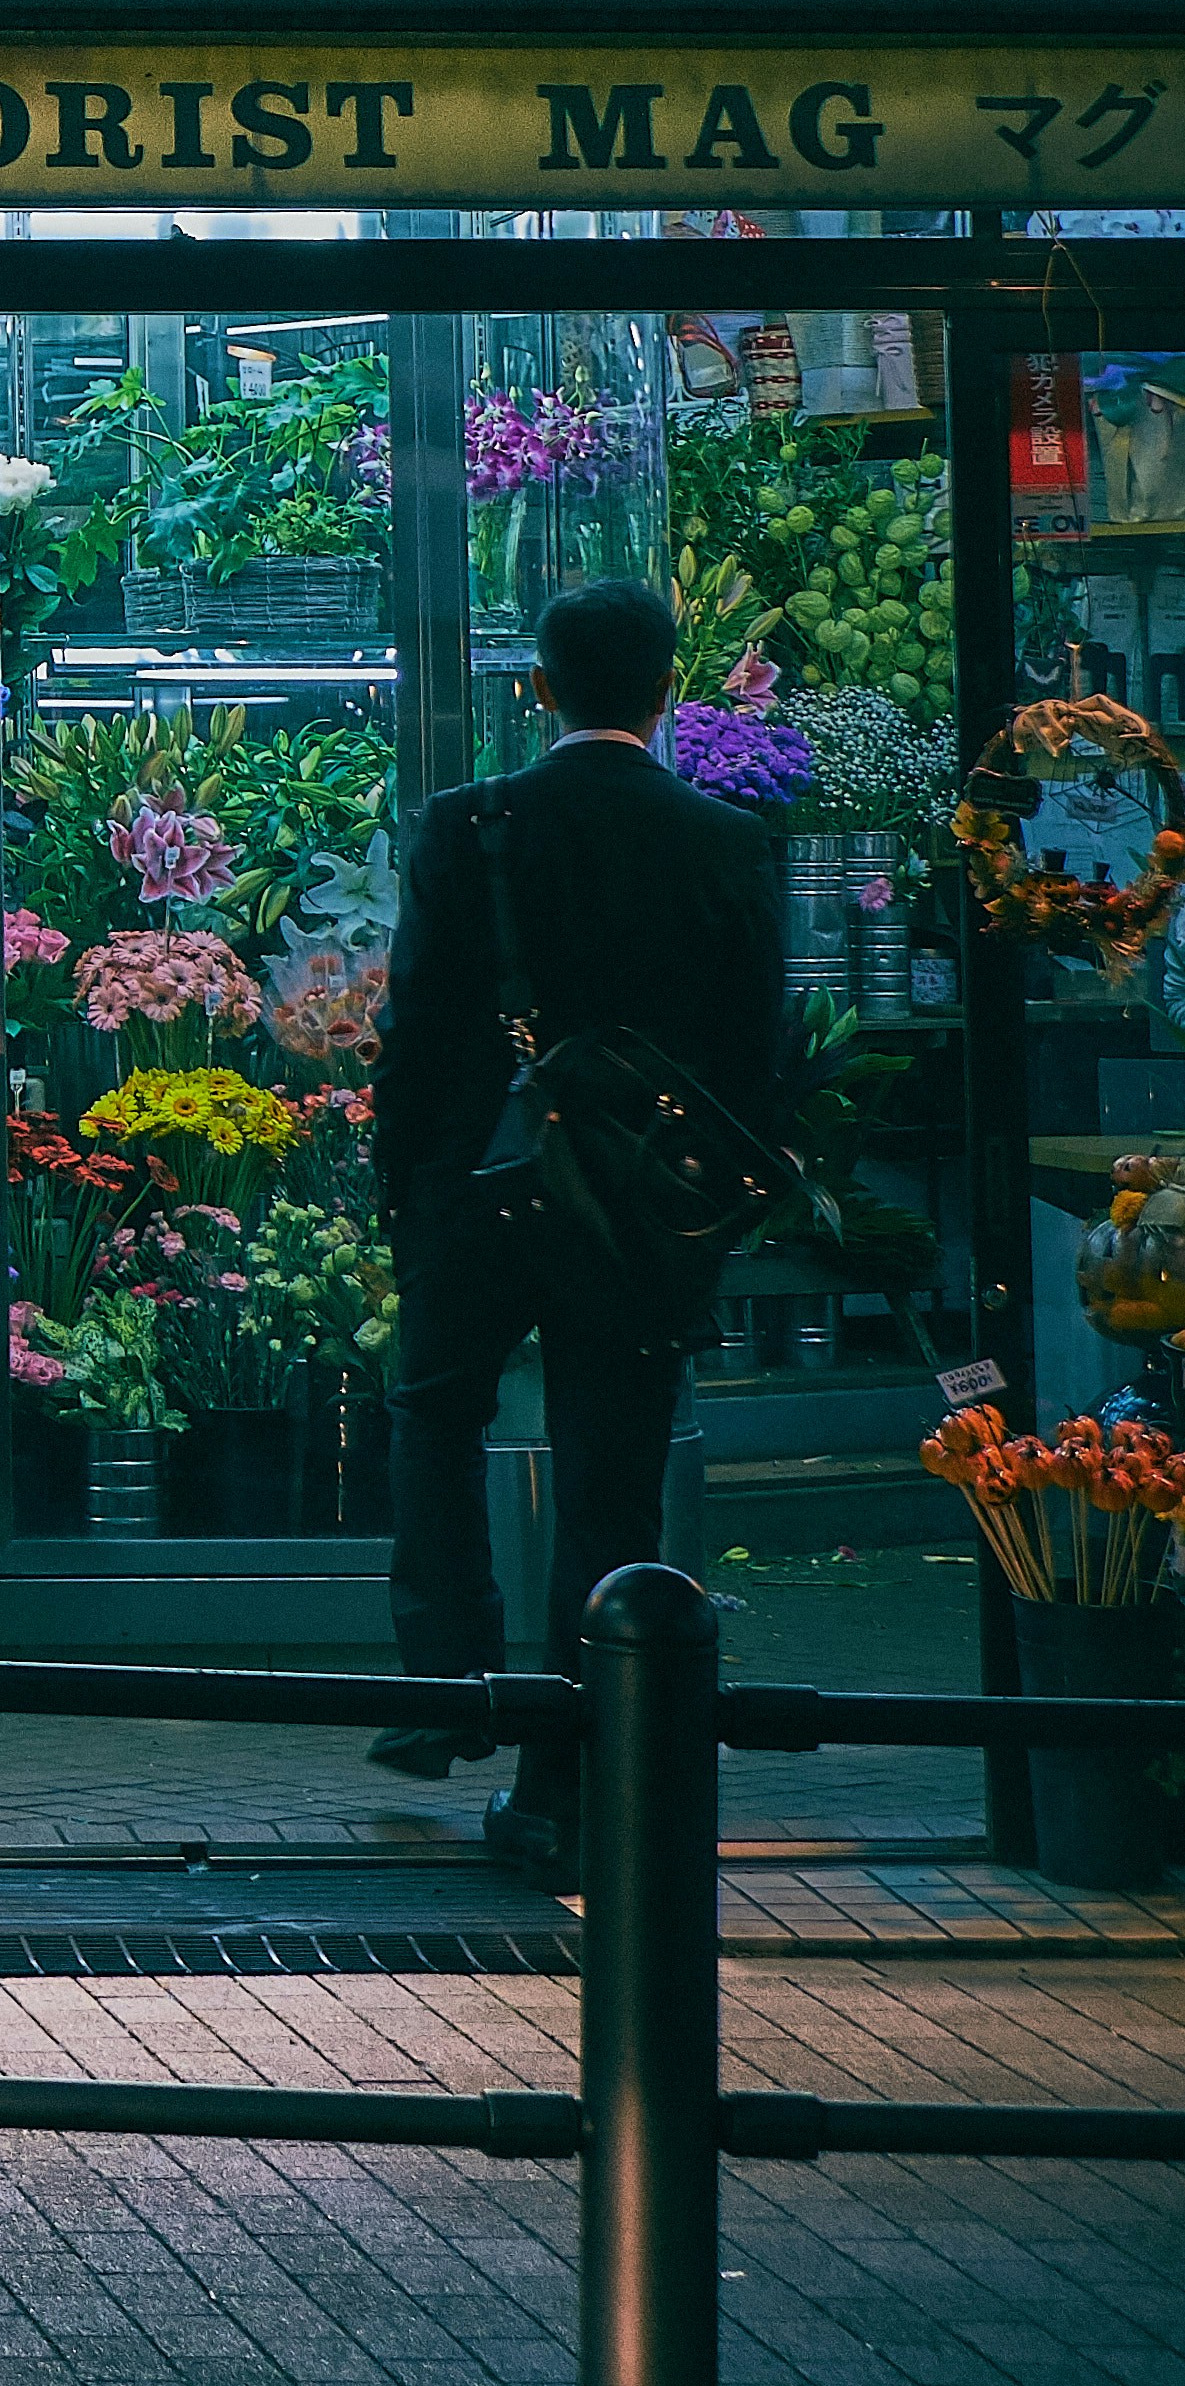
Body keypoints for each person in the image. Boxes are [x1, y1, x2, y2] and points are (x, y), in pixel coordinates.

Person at [365, 574, 783, 1880]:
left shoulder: (468, 826)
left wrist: (404, 1195)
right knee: (611, 1482)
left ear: (538, 687)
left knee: (435, 1415)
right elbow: (749, 1063)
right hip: (636, 1211)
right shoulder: (725, 844)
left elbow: (415, 1036)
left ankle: (443, 1692)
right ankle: (568, 1776)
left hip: (476, 1191)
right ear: (668, 690)